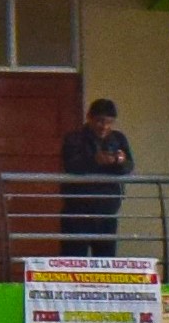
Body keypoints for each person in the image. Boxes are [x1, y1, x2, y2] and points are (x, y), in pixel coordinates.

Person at [55, 97, 134, 257]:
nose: (104, 127)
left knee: (106, 261)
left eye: (109, 122)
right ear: (89, 118)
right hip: (77, 210)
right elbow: (71, 166)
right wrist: (94, 160)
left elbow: (129, 166)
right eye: (100, 121)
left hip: (107, 211)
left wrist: (119, 161)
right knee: (75, 260)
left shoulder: (118, 138)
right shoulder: (74, 138)